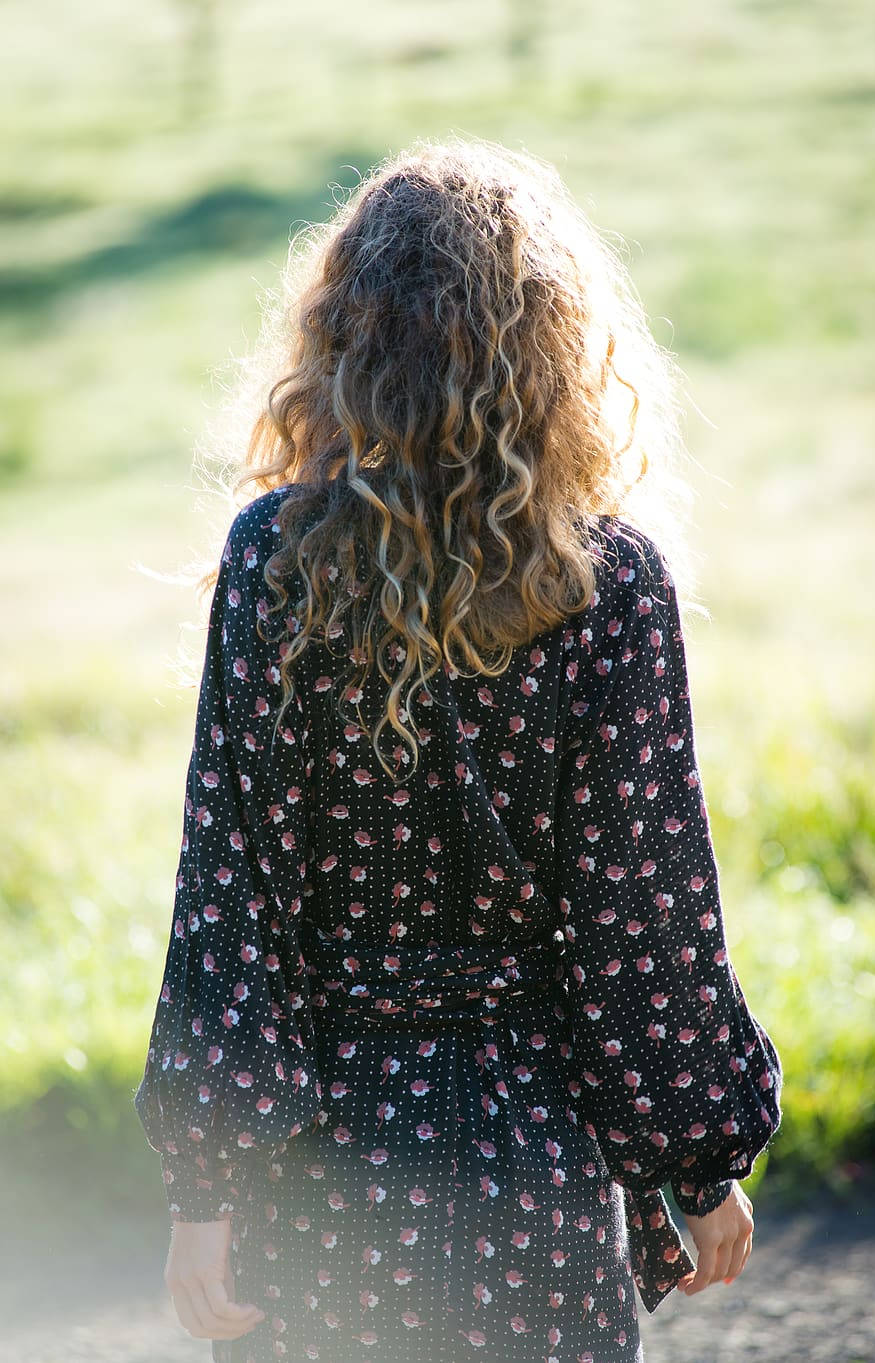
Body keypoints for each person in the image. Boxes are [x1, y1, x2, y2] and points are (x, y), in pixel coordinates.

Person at [133, 134, 783, 1363]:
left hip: (316, 1196)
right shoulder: (607, 585)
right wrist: (700, 1166)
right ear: (552, 354)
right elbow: (637, 924)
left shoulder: (276, 565)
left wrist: (203, 1194)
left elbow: (235, 905)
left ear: (344, 346)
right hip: (533, 1191)